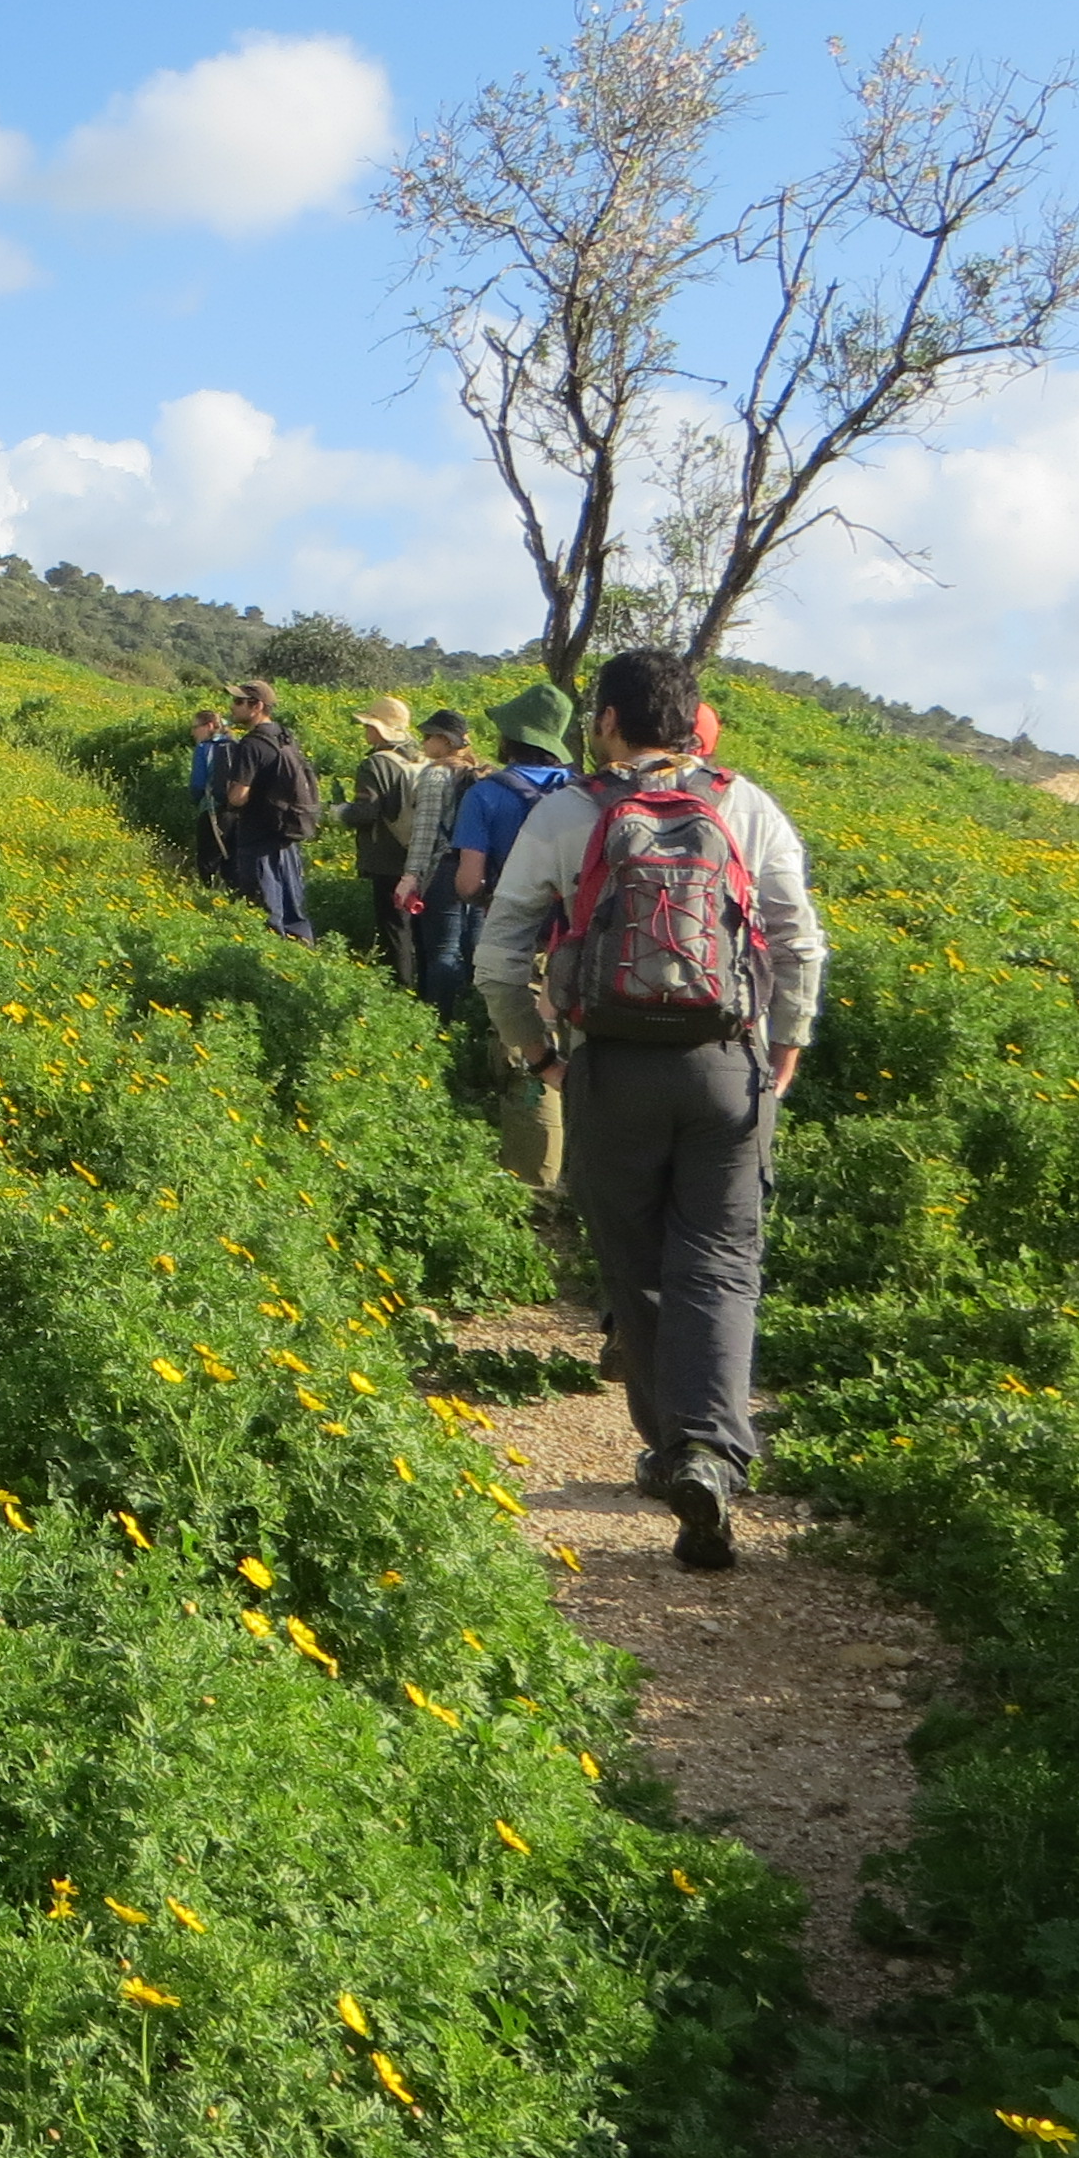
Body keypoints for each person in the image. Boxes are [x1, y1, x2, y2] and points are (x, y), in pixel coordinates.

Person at [472, 648, 824, 1572]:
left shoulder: (570, 809)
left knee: (636, 1263)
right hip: (726, 1068)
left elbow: (501, 953)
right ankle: (709, 1450)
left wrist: (539, 1051)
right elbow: (797, 939)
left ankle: (676, 1451)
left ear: (608, 723)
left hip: (610, 1067)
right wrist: (786, 1039)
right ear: (693, 717)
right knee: (721, 1260)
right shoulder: (745, 803)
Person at [446, 684, 585, 1192]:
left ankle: (536, 1179)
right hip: (583, 944)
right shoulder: (584, 794)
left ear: (510, 737)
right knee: (585, 1050)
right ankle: (590, 1173)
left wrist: (492, 897)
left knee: (530, 1050)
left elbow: (467, 883)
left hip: (521, 941)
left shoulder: (486, 794)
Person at [215, 679, 320, 941]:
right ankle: (301, 954)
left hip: (259, 838)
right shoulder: (284, 736)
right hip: (287, 832)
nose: (233, 707)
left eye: (239, 702)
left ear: (257, 706)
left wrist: (226, 798)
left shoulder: (251, 745)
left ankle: (270, 961)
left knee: (266, 912)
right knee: (293, 911)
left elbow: (239, 796)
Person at [395, 707, 481, 1010]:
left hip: (445, 869)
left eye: (429, 736)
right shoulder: (481, 771)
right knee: (472, 947)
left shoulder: (436, 775)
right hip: (480, 868)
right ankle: (469, 1016)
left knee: (442, 950)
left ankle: (437, 1017)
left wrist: (411, 877)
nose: (424, 741)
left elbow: (425, 833)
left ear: (445, 741)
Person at [347, 697, 422, 988]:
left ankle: (400, 990)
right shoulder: (420, 759)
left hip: (387, 859)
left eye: (368, 725)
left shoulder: (374, 765)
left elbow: (366, 812)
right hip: (421, 855)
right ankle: (424, 991)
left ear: (378, 730)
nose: (365, 730)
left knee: (395, 930)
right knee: (418, 930)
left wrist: (338, 813)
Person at [183, 708, 233, 886]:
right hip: (238, 810)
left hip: (212, 810)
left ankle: (207, 895)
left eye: (195, 726)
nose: (192, 732)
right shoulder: (236, 744)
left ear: (209, 726)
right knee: (233, 857)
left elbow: (198, 784)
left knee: (208, 859)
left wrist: (198, 801)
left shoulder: (204, 748)